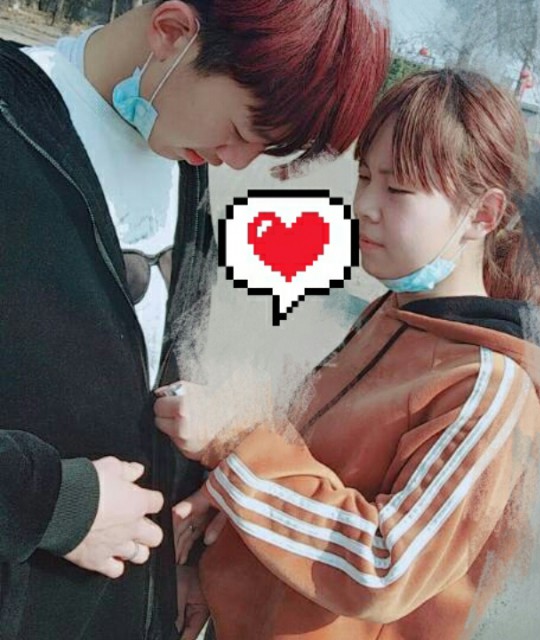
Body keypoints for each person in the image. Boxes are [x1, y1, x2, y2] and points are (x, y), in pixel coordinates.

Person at [0, 0, 389, 638]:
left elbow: (161, 363)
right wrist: (53, 503)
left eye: (263, 149)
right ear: (173, 32)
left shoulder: (183, 160)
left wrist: (182, 564)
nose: (235, 161)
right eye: (238, 130)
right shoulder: (14, 123)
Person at [156, 69, 540, 639]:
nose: (364, 206)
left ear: (483, 214)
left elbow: (384, 567)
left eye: (398, 189)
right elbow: (308, 470)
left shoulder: (488, 387)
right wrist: (216, 539)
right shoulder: (391, 316)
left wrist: (238, 448)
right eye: (363, 177)